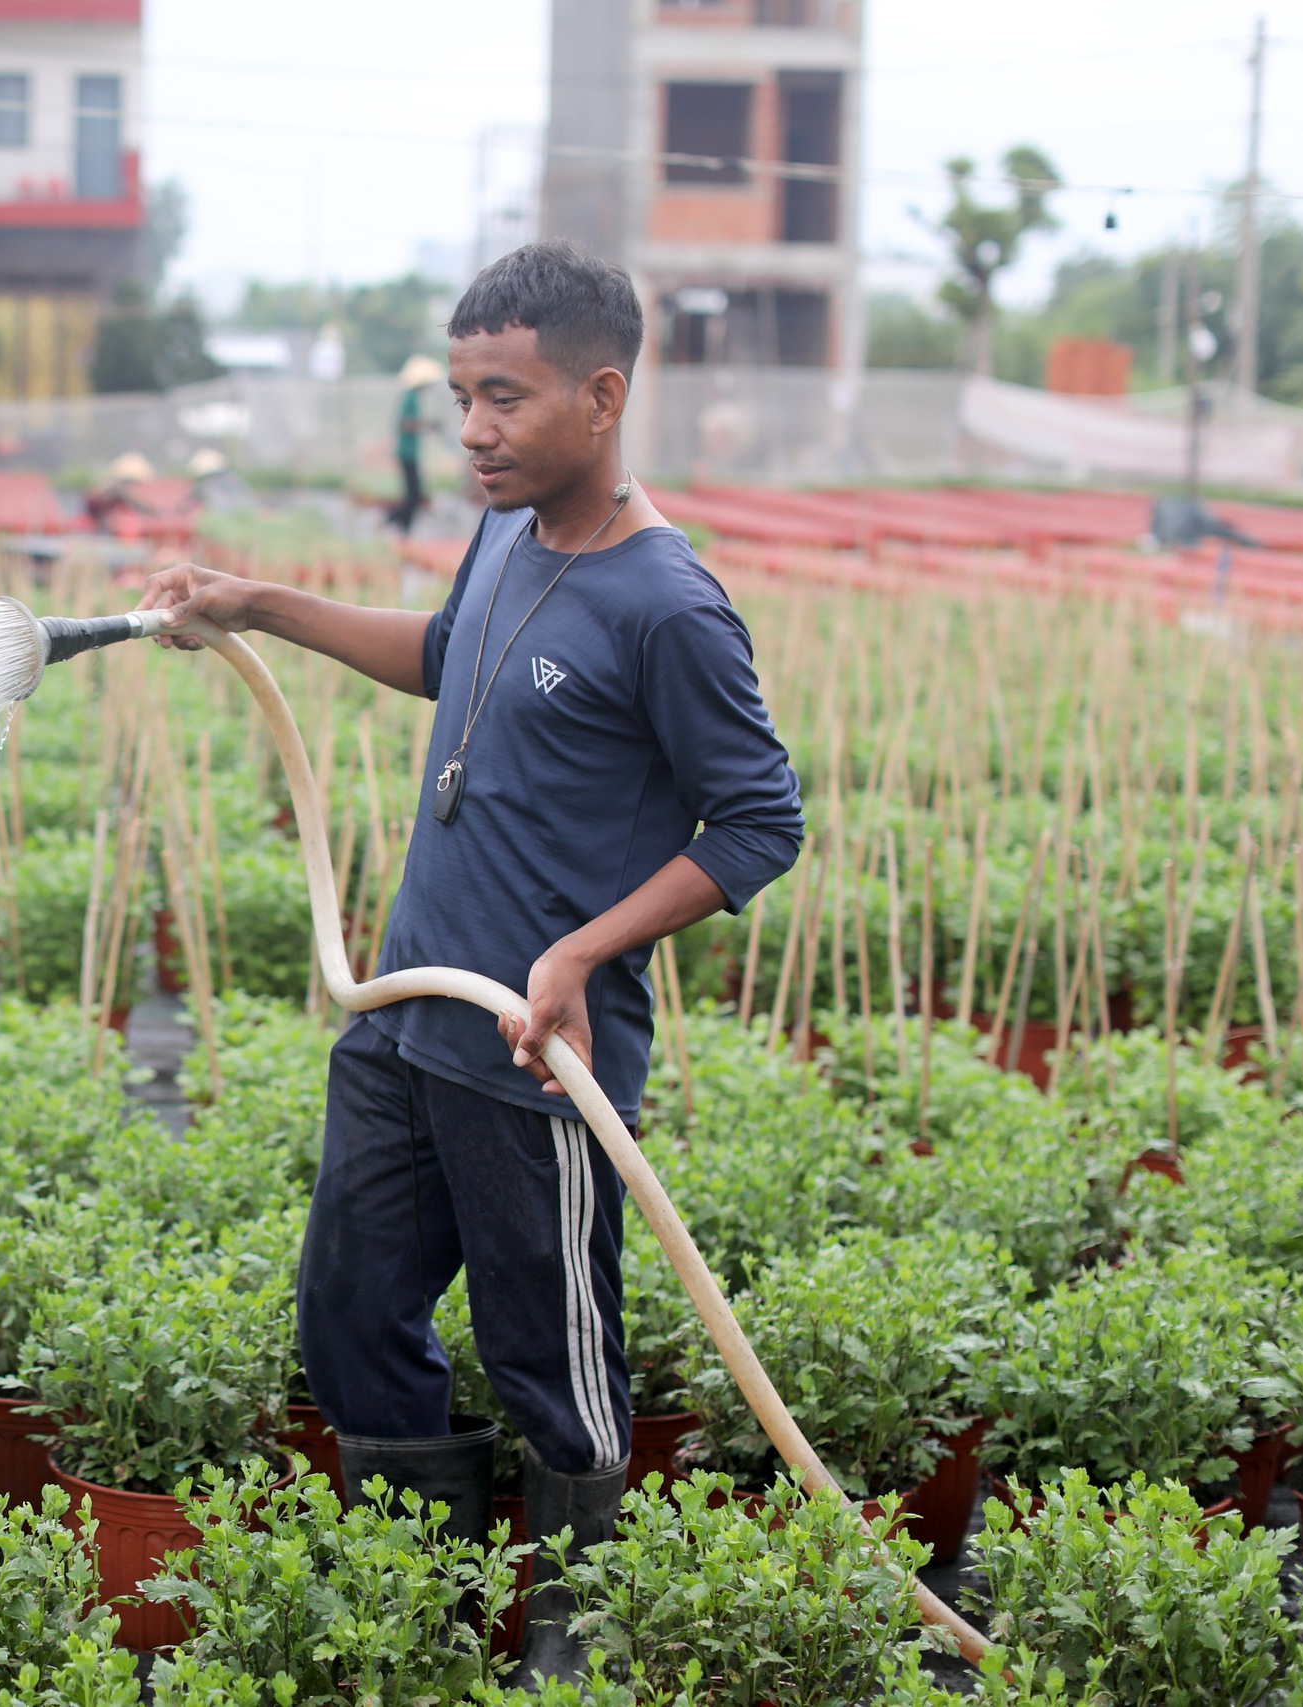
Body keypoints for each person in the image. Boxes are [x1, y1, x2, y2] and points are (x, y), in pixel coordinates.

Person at [136, 240, 803, 1681]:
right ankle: (418, 1593)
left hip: (533, 1053)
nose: (475, 431)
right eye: (462, 397)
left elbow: (759, 821)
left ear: (604, 395)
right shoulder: (506, 528)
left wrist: (579, 948)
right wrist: (259, 603)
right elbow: (449, 650)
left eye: (506, 397)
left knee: (549, 1352)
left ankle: (569, 1623)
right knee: (349, 1302)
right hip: (406, 1011)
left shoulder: (669, 604)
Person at [389, 352, 442, 534]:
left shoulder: (413, 398)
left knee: (413, 493)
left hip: (409, 452)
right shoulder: (410, 398)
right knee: (413, 495)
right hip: (407, 452)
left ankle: (399, 523)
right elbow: (405, 423)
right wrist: (428, 424)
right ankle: (397, 523)